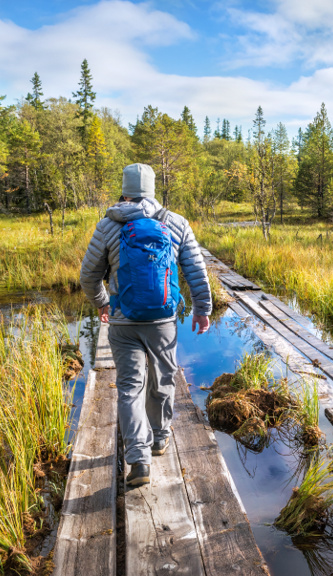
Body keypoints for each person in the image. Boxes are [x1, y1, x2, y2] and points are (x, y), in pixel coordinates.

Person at [80, 163, 212, 487]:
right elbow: (196, 270)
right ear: (152, 190)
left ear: (124, 191)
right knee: (163, 380)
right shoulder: (175, 222)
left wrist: (102, 303)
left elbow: (88, 276)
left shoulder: (108, 225)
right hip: (163, 322)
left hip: (123, 322)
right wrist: (202, 309)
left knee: (129, 388)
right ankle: (160, 438)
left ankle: (138, 460)